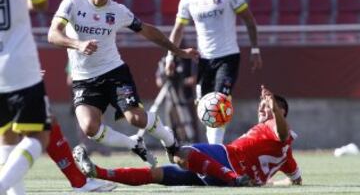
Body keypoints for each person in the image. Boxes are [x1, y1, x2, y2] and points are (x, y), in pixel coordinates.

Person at [47, 0, 199, 167]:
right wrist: (77, 44)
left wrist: (177, 51)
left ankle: (171, 143)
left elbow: (147, 30)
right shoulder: (74, 1)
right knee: (89, 128)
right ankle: (133, 144)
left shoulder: (117, 11)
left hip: (113, 72)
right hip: (83, 79)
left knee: (136, 119)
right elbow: (53, 34)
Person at [0, 0, 115, 193]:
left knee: (9, 137)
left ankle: (78, 182)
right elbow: (40, 1)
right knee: (40, 133)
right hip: (17, 63)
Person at [73, 85, 302, 187]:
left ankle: (231, 177)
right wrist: (269, 183)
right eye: (262, 106)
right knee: (156, 175)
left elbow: (281, 134)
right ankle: (98, 172)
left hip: (227, 159)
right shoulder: (287, 156)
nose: (263, 109)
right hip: (221, 175)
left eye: (268, 106)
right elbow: (296, 180)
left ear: (282, 111)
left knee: (182, 153)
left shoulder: (276, 125)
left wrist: (274, 109)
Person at [165, 0, 263, 144]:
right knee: (204, 105)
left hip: (228, 57)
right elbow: (178, 29)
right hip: (203, 60)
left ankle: (216, 150)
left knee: (219, 102)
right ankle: (214, 148)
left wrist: (255, 50)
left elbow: (249, 21)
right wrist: (170, 57)